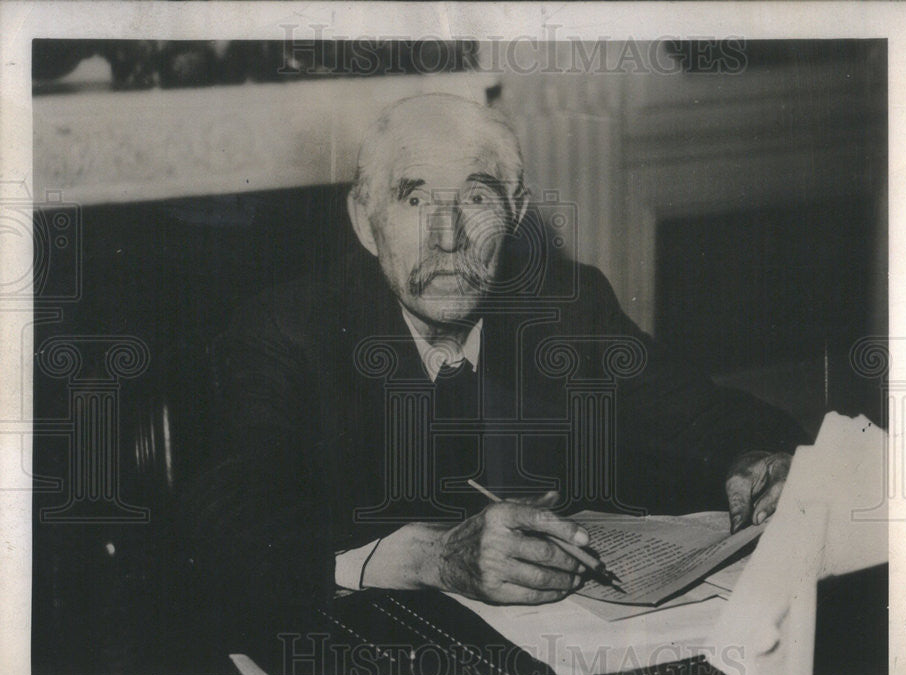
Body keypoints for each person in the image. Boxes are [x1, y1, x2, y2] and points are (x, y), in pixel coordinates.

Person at [181, 93, 807, 625]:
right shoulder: (287, 332)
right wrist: (428, 559)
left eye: (477, 199)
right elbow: (223, 530)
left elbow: (710, 416)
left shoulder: (570, 309)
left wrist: (756, 462)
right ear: (365, 223)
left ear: (516, 213)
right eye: (415, 200)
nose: (449, 238)